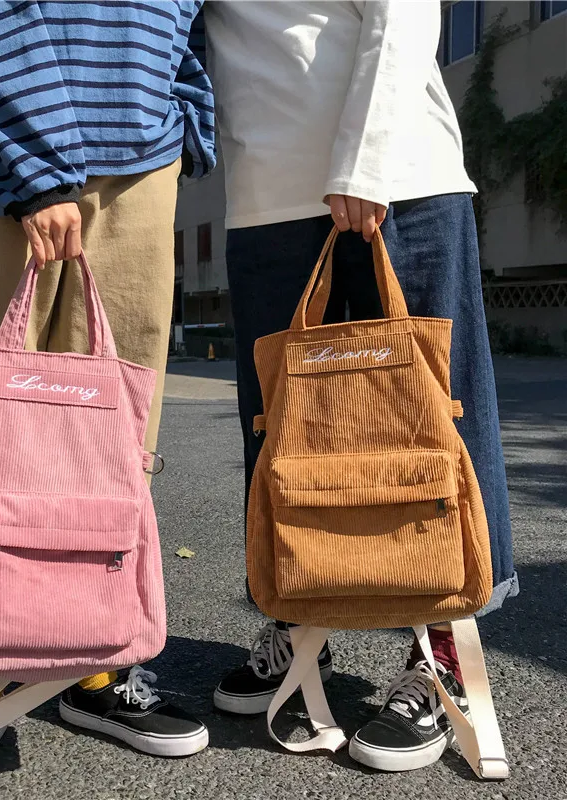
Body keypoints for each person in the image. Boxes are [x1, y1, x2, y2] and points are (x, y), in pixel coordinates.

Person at [204, 0, 517, 772]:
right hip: (264, 193)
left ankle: (444, 650)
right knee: (280, 425)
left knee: (435, 418)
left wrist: (364, 158)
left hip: (397, 175)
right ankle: (298, 616)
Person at [0, 2, 215, 798]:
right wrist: (39, 164)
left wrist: (185, 110)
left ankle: (95, 662)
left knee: (112, 432)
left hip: (141, 158)